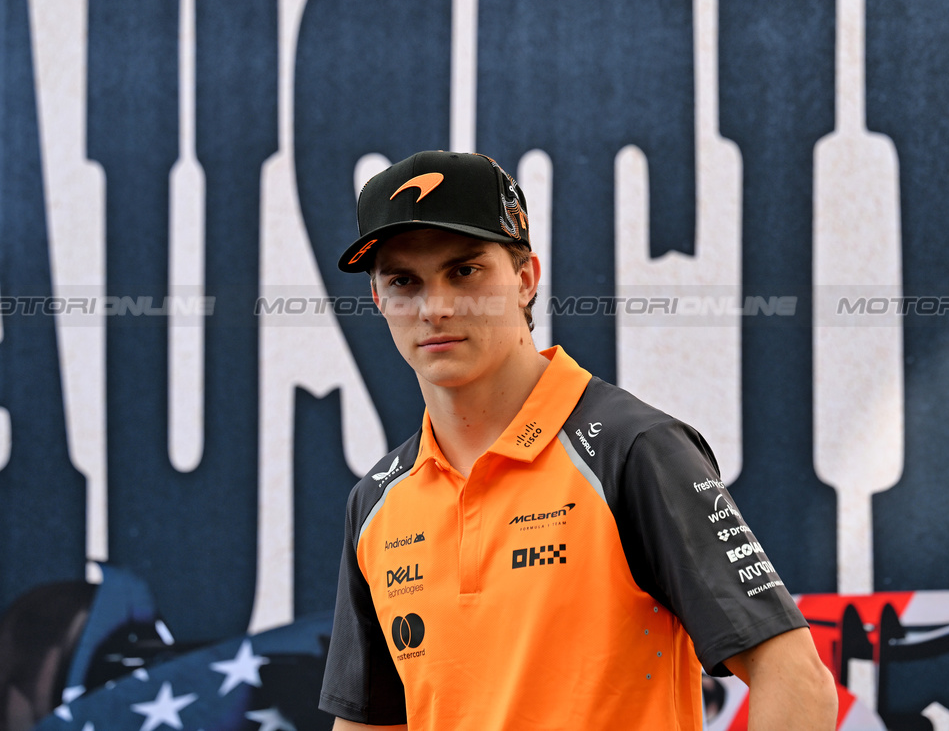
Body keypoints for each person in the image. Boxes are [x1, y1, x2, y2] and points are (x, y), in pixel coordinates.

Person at [319, 150, 838, 730]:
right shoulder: (376, 501)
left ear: (524, 279)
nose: (435, 307)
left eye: (464, 271)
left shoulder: (633, 449)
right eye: (403, 281)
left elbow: (794, 676)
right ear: (378, 301)